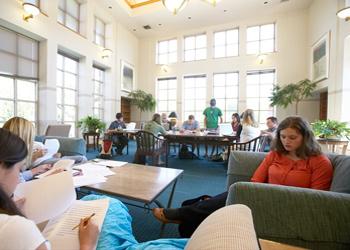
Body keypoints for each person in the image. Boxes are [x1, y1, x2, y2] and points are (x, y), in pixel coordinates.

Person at [0, 128, 188, 250]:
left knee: (97, 202)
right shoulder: (15, 228)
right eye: (18, 169)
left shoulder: (13, 223)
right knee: (111, 205)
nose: (19, 178)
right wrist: (87, 244)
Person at [152, 116, 333, 237]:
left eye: (292, 137)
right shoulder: (275, 155)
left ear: (306, 137)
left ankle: (184, 213)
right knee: (239, 190)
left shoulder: (319, 162)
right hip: (264, 195)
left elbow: (318, 199)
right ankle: (189, 217)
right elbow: (256, 180)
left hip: (292, 205)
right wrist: (257, 193)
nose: (286, 141)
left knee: (233, 193)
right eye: (283, 136)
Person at [3, 117, 86, 181]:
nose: (31, 141)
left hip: (46, 161)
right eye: (29, 138)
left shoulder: (9, 158)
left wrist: (34, 171)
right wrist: (49, 176)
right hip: (41, 163)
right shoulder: (10, 164)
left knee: (80, 159)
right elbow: (22, 188)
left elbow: (19, 177)